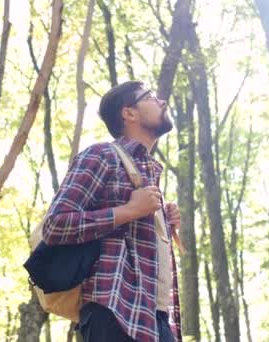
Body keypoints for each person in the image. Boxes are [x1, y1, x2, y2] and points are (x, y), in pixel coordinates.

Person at [42, 80, 182, 342]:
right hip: (115, 312)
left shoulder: (147, 171)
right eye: (150, 96)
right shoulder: (101, 155)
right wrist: (129, 210)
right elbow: (55, 225)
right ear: (129, 113)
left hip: (158, 318)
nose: (161, 101)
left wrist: (162, 222)